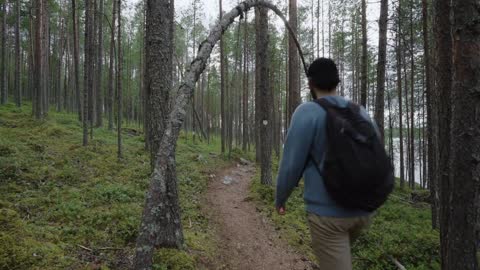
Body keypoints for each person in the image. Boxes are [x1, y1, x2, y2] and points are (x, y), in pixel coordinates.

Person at [275, 58, 375, 270]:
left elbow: (291, 165)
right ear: (337, 82)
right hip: (363, 212)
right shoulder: (361, 112)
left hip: (329, 217)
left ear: (310, 84)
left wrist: (280, 198)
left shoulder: (307, 112)